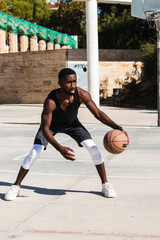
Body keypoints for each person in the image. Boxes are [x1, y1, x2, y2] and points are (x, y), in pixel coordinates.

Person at [4, 68, 128, 201]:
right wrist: (59, 148)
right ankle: (15, 187)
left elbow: (98, 114)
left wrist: (117, 127)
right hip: (51, 127)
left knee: (94, 149)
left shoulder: (81, 94)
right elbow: (45, 129)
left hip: (72, 125)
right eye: (69, 82)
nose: (73, 85)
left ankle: (105, 184)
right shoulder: (50, 102)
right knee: (34, 152)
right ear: (60, 83)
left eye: (75, 81)